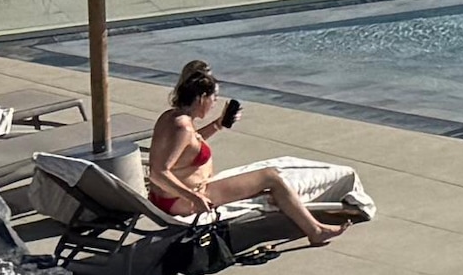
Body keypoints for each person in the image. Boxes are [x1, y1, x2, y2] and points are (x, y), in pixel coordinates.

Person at [142, 58, 353, 245]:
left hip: (168, 198)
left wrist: (218, 125)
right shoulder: (183, 128)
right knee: (271, 177)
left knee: (267, 187)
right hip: (185, 200)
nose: (215, 103)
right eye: (214, 98)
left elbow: (190, 146)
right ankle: (316, 231)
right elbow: (158, 172)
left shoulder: (171, 117)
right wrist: (194, 197)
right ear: (202, 98)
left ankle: (310, 224)